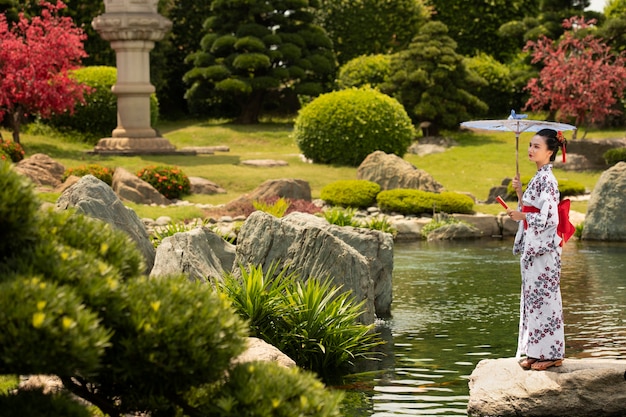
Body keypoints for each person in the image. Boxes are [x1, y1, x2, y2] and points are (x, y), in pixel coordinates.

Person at [506, 128, 568, 371]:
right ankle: (535, 351)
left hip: (544, 251)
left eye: (536, 146)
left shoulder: (548, 180)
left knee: (546, 301)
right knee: (533, 300)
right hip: (535, 249)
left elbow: (549, 218)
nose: (531, 150)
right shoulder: (539, 177)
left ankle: (552, 354)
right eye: (530, 145)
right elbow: (533, 209)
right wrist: (521, 192)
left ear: (550, 152)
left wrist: (522, 215)